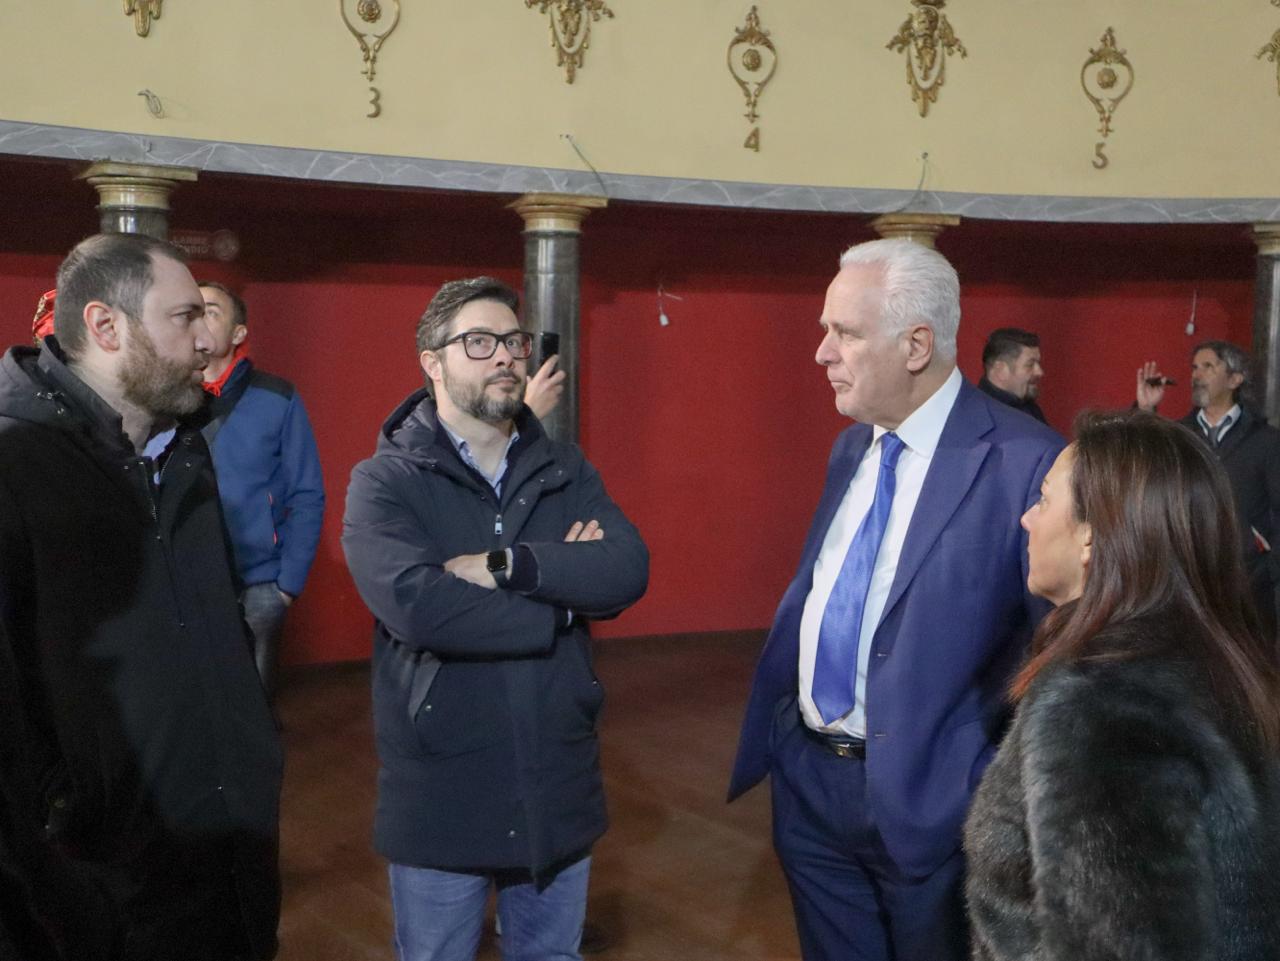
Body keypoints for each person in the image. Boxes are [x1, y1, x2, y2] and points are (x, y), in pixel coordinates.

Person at [728, 239, 1063, 961]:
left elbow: (1061, 656)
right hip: (810, 788)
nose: (822, 352)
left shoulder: (1027, 461)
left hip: (935, 806)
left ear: (916, 345)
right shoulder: (851, 448)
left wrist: (982, 786)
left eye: (844, 333)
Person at [342, 276, 649, 961]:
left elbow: (626, 569)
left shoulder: (564, 468)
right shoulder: (385, 481)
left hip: (556, 777)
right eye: (479, 342)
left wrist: (508, 566)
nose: (505, 356)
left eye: (513, 340)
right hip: (442, 785)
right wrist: (563, 603)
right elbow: (420, 608)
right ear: (432, 361)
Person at [0, 234, 283, 960]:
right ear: (106, 326)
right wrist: (65, 816)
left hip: (227, 851)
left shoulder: (185, 450)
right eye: (186, 316)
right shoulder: (13, 464)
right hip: (100, 881)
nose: (208, 339)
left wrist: (253, 753)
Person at [964, 410, 1280, 961]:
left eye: (1043, 500)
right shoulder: (1214, 660)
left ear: (1091, 537)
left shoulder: (1102, 703)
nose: (1026, 519)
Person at [196, 281, 325, 699]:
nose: (198, 318)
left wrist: (286, 586)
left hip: (258, 584)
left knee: (253, 705)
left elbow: (307, 493)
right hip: (186, 580)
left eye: (211, 310)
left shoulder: (277, 397)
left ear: (238, 333)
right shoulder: (163, 397)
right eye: (190, 310)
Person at [1137, 342, 1280, 639]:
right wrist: (1147, 410)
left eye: (1208, 367)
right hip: (1188, 583)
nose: (1196, 375)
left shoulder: (1266, 440)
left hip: (1250, 586)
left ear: (1235, 379)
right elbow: (1145, 479)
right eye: (1194, 368)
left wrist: (1269, 569)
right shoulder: (1179, 435)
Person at [977, 327, 1046, 423]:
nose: (1039, 372)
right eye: (1030, 365)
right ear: (1000, 370)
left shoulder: (1030, 408)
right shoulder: (979, 416)